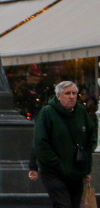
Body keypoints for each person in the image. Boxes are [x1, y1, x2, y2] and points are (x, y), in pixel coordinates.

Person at [33, 80, 97, 208]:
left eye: (74, 93)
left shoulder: (80, 112)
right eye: (67, 93)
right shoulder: (47, 113)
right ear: (59, 96)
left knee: (74, 205)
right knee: (63, 204)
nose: (72, 96)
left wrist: (86, 166)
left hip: (76, 172)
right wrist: (57, 163)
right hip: (54, 172)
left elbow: (91, 137)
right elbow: (40, 143)